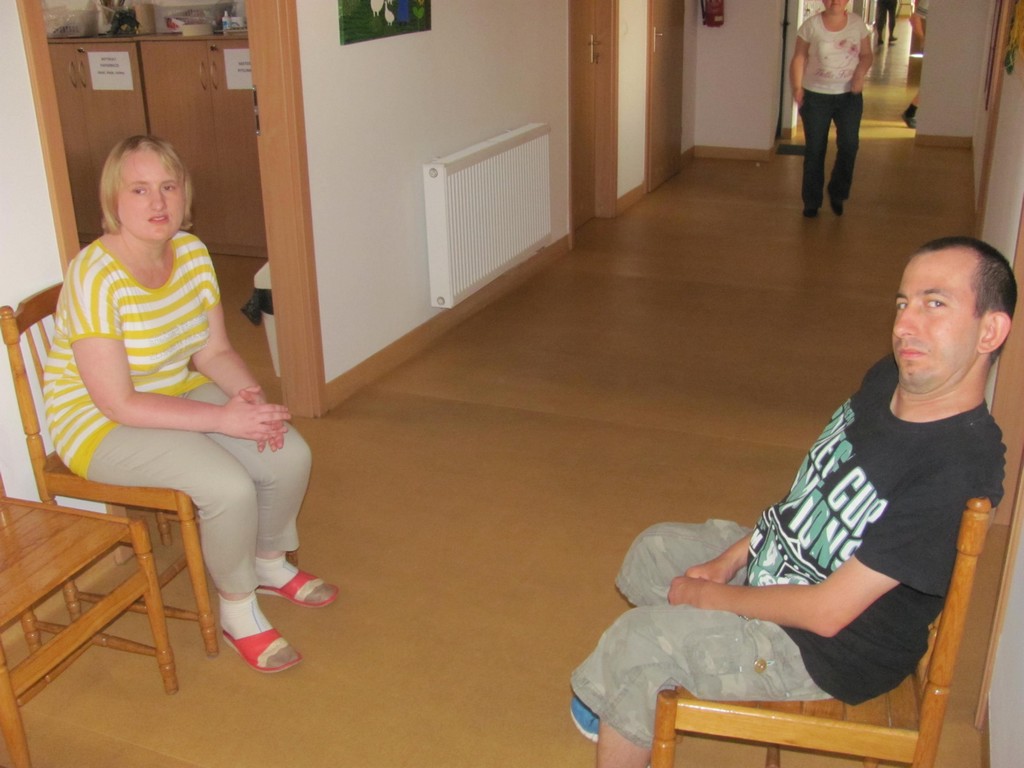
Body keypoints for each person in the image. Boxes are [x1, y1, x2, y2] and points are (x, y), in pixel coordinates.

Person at [568, 236, 1016, 768]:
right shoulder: (888, 379)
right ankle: (644, 686)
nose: (904, 325)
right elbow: (806, 499)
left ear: (990, 331)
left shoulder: (957, 469)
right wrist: (730, 559)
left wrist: (712, 598)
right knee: (654, 550)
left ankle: (637, 675)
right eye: (903, 302)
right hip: (787, 568)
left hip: (823, 649)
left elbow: (827, 612)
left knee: (637, 642)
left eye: (934, 303)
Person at [43, 135, 338, 674]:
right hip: (97, 422)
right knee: (228, 486)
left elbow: (214, 351)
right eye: (139, 189)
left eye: (168, 187)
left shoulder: (193, 253)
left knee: (288, 452)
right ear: (113, 201)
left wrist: (249, 402)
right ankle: (237, 608)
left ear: (185, 194)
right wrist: (224, 419)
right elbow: (119, 402)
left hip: (172, 390)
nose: (158, 202)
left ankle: (268, 561)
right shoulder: (93, 275)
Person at [790, 0, 874, 218]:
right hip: (816, 97)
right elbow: (799, 57)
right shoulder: (811, 26)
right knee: (815, 149)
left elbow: (867, 55)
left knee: (849, 145)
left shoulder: (857, 24)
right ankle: (811, 201)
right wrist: (797, 87)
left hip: (849, 97)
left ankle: (838, 191)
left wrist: (859, 74)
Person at [902, 0, 928, 129]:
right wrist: (923, 39)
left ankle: (911, 112)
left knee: (933, 82)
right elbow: (915, 18)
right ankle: (910, 112)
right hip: (936, 46)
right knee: (932, 82)